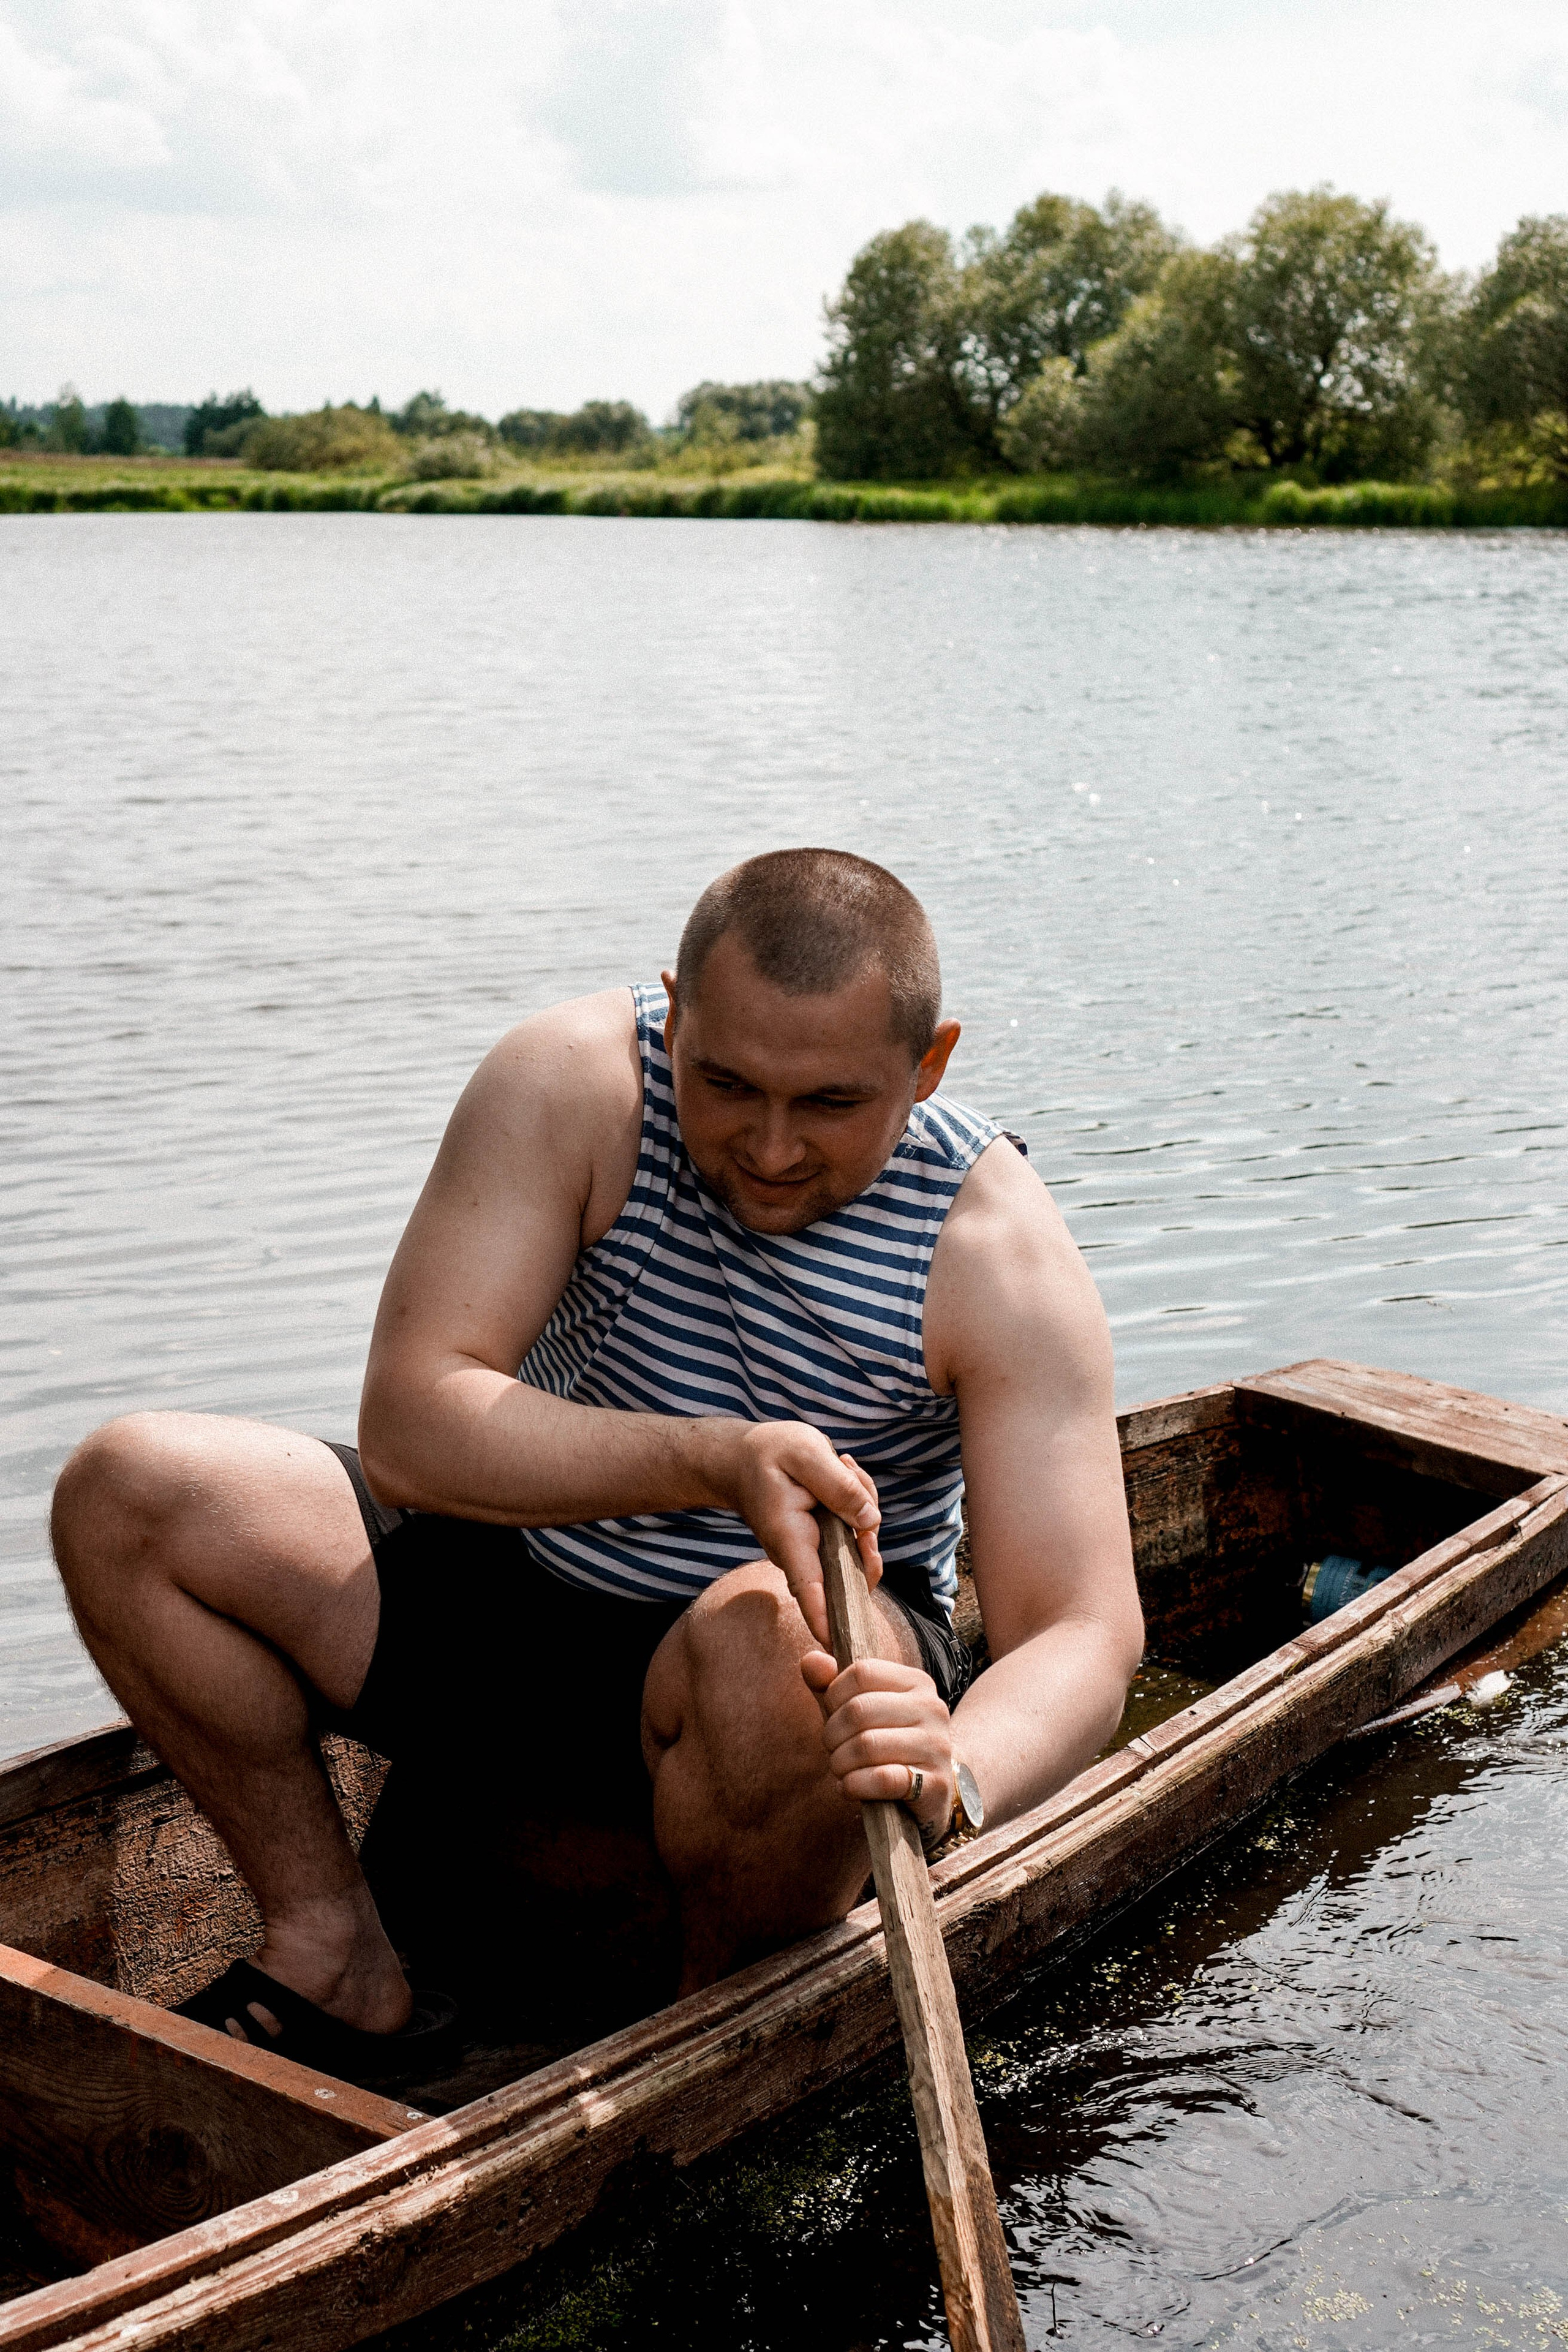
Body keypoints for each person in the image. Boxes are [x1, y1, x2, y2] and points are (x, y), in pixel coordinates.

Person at [50, 849, 1142, 2086]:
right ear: (674, 1013)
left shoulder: (992, 1250)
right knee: (127, 1492)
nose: (771, 1148)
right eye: (725, 1084)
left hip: (797, 1677)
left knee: (764, 1641)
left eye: (830, 1105)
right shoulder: (575, 1085)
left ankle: (706, 2040)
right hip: (535, 1587)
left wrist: (960, 1771)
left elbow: (1083, 1627)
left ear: (927, 1065)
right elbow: (413, 1425)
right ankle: (336, 1954)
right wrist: (717, 1461)